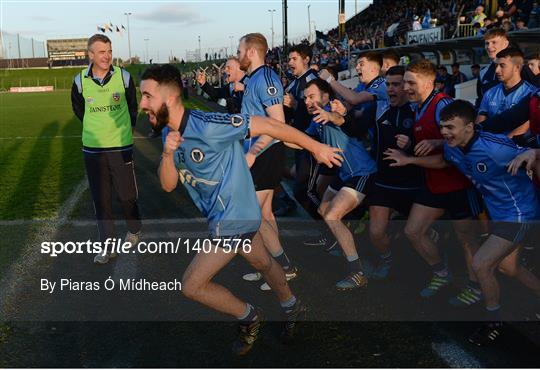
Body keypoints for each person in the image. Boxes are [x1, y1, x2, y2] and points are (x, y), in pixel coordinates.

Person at [139, 64, 343, 355]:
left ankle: (249, 316)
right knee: (264, 263)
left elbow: (270, 125)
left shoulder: (209, 125)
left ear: (169, 98)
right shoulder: (168, 134)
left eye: (147, 95)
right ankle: (292, 306)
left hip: (234, 217)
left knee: (191, 285)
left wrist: (315, 148)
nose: (142, 103)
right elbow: (168, 185)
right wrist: (169, 154)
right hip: (227, 216)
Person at [390, 100, 540, 346]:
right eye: (442, 127)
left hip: (520, 213)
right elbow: (444, 161)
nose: (445, 133)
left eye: (451, 127)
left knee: (481, 263)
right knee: (508, 268)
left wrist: (533, 154)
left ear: (470, 127)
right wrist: (409, 160)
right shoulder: (453, 147)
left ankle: (494, 322)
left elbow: (532, 155)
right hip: (499, 214)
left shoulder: (495, 148)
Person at [384, 60, 482, 305]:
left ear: (428, 83)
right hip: (435, 181)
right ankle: (442, 273)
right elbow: (432, 139)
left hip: (458, 183)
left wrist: (410, 158)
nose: (406, 87)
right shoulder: (419, 106)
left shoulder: (442, 105)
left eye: (410, 82)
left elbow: (462, 141)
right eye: (404, 82)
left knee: (466, 239)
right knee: (413, 231)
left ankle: (476, 286)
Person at [71, 34, 141, 264]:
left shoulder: (124, 77)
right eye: (101, 52)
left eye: (109, 51)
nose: (107, 56)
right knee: (101, 199)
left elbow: (133, 107)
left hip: (120, 147)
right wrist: (96, 130)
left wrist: (123, 130)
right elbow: (79, 110)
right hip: (93, 149)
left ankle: (134, 228)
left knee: (127, 196)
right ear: (90, 54)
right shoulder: (79, 80)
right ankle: (107, 246)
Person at [237, 33, 298, 291]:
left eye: (239, 49)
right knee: (264, 213)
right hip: (259, 154)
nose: (237, 54)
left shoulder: (265, 78)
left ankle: (284, 268)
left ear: (251, 52)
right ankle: (268, 266)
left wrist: (253, 152)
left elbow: (278, 124)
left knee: (252, 216)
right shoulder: (253, 79)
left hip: (266, 154)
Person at [303, 79, 377, 289]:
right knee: (323, 208)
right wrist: (276, 134)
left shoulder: (332, 110)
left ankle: (358, 272)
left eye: (312, 96)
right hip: (345, 174)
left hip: (362, 172)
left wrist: (330, 115)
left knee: (331, 215)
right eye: (305, 97)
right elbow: (301, 139)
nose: (307, 101)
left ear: (326, 97)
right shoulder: (316, 119)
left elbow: (339, 119)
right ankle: (340, 237)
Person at [477, 48, 536, 138]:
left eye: (502, 66)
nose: (496, 70)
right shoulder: (489, 93)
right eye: (496, 66)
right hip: (489, 144)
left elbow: (526, 126)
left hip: (517, 147)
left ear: (517, 67)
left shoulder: (531, 94)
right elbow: (480, 123)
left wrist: (501, 144)